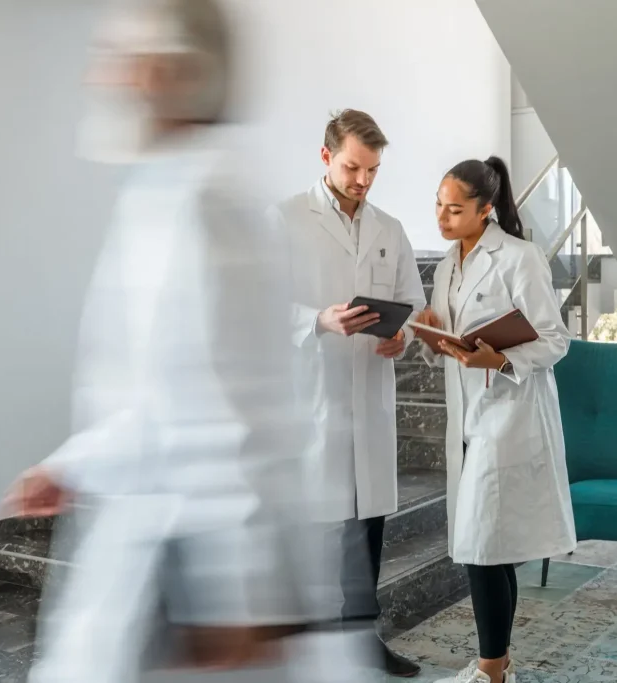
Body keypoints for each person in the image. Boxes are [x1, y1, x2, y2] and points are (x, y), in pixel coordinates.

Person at [2, 0, 339, 680]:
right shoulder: (162, 191)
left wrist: (239, 599)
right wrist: (76, 462)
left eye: (126, 59)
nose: (108, 76)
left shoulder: (210, 196)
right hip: (161, 561)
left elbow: (233, 410)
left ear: (172, 70)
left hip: (197, 582)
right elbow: (155, 392)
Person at [265, 109, 426, 677]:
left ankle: (363, 641)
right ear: (327, 156)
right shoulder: (284, 219)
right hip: (316, 398)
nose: (363, 180)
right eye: (354, 167)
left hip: (370, 397)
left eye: (373, 170)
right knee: (318, 530)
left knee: (368, 526)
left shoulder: (390, 228)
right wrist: (317, 320)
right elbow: (258, 307)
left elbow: (410, 301)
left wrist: (400, 337)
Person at [415, 157, 577, 683]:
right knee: (489, 548)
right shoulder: (446, 265)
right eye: (438, 206)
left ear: (485, 211)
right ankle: (498, 665)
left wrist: (500, 359)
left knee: (484, 547)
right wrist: (432, 334)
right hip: (467, 418)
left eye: (454, 209)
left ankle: (489, 672)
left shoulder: (519, 257)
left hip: (507, 419)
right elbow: (450, 342)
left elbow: (554, 340)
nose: (442, 217)